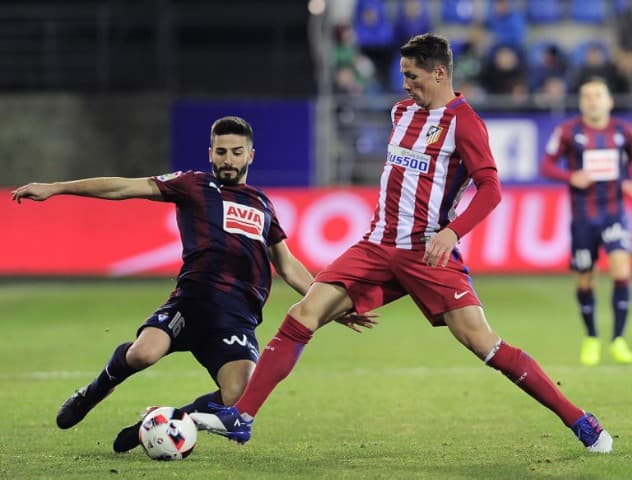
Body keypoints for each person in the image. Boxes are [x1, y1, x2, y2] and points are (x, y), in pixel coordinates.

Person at [190, 34, 614, 453]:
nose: (405, 84)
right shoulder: (401, 113)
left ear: (439, 72)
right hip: (375, 245)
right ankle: (242, 417)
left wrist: (451, 232)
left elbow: (490, 189)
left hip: (426, 252)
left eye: (412, 76)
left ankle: (580, 420)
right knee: (304, 312)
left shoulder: (464, 123)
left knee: (482, 342)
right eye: (403, 76)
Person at [11, 116, 374, 453]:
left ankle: (160, 424)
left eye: (236, 152)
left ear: (250, 153)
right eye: (221, 152)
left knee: (238, 393)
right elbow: (124, 187)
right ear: (210, 152)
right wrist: (56, 187)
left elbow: (288, 264)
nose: (228, 159)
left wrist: (326, 303)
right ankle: (93, 392)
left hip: (236, 317)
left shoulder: (263, 204)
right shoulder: (194, 185)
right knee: (142, 354)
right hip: (192, 302)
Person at [540, 77, 632, 366]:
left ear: (609, 101)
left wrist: (628, 180)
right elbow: (546, 165)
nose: (593, 100)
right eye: (587, 96)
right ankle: (591, 337)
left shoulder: (622, 131)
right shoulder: (568, 131)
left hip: (614, 211)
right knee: (585, 278)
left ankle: (618, 339)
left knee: (621, 270)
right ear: (581, 102)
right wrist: (571, 177)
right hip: (583, 217)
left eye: (598, 95)